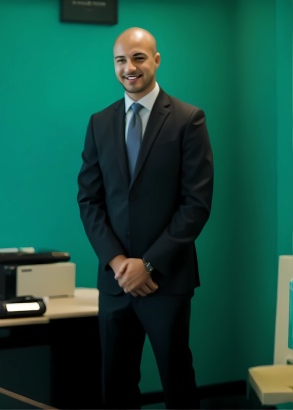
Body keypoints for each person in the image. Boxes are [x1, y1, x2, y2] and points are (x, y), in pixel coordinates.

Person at [77, 27, 213, 408]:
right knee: (115, 386)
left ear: (156, 60)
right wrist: (119, 262)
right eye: (121, 60)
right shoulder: (99, 123)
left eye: (138, 57)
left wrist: (149, 265)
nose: (129, 68)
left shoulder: (188, 119)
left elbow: (196, 203)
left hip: (166, 281)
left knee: (177, 382)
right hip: (115, 280)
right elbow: (89, 200)